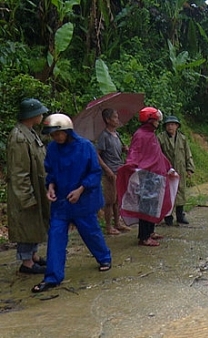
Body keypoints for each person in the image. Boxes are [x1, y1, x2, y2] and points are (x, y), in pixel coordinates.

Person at [32, 114, 112, 293]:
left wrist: (81, 189)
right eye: (53, 135)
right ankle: (53, 277)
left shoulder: (85, 147)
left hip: (83, 200)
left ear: (67, 131)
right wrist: (50, 187)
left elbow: (94, 172)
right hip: (61, 202)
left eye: (58, 134)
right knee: (55, 237)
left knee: (90, 232)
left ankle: (104, 257)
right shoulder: (52, 148)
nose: (56, 138)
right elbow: (50, 171)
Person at [117, 107, 179, 247]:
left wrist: (168, 167)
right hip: (146, 176)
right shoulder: (141, 135)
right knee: (146, 207)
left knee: (153, 206)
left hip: (156, 175)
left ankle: (150, 232)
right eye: (156, 120)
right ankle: (143, 237)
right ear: (150, 120)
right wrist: (131, 165)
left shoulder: (150, 134)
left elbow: (157, 155)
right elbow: (135, 152)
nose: (158, 123)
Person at [7, 98, 51, 274]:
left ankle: (32, 255)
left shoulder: (29, 133)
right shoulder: (18, 137)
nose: (42, 115)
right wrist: (26, 196)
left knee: (35, 224)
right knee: (26, 223)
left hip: (37, 186)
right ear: (32, 114)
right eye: (40, 112)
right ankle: (26, 262)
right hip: (25, 191)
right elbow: (19, 172)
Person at [96, 108, 130, 235]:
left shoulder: (117, 135)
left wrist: (124, 149)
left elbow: (116, 151)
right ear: (107, 120)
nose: (117, 119)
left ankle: (117, 223)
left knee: (117, 199)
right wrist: (107, 169)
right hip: (110, 172)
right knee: (110, 200)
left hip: (119, 169)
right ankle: (109, 226)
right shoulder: (104, 136)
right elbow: (97, 154)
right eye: (115, 117)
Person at [157, 115, 195, 225]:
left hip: (180, 169)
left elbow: (188, 154)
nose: (170, 127)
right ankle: (168, 217)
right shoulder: (160, 138)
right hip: (167, 170)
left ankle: (180, 215)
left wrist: (190, 168)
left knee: (180, 191)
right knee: (167, 194)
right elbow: (158, 154)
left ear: (177, 126)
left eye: (173, 124)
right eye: (168, 125)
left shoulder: (182, 138)